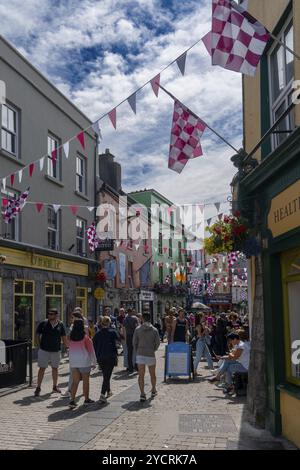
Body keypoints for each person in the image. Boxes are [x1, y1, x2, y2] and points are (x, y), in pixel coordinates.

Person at [34, 309, 68, 397]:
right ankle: (38, 387)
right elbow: (37, 334)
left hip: (56, 351)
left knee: (55, 368)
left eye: (51, 314)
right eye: (48, 314)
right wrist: (38, 345)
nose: (49, 315)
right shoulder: (43, 323)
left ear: (56, 315)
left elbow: (64, 337)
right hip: (44, 350)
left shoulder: (60, 325)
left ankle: (54, 386)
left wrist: (67, 347)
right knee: (42, 368)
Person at [68, 319, 97, 409]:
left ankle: (72, 400)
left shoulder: (70, 337)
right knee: (86, 381)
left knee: (75, 382)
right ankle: (86, 399)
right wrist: (94, 362)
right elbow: (91, 351)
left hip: (73, 361)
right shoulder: (85, 338)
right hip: (84, 361)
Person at [133, 312, 160, 402]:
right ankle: (153, 389)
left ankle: (142, 393)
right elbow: (158, 343)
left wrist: (137, 350)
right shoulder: (154, 330)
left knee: (141, 375)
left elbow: (134, 342)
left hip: (140, 353)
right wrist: (153, 349)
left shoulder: (138, 329)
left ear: (142, 319)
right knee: (153, 374)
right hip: (150, 354)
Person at [93, 316, 119, 403]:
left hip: (100, 357)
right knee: (107, 376)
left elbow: (94, 345)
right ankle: (102, 395)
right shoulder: (112, 332)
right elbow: (119, 339)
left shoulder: (97, 334)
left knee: (105, 375)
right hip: (110, 356)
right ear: (109, 323)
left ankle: (109, 391)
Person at [123, 308, 139, 373]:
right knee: (136, 351)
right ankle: (136, 366)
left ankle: (130, 368)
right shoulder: (135, 318)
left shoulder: (125, 319)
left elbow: (123, 328)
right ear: (131, 312)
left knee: (129, 352)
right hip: (134, 336)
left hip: (128, 336)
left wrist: (125, 337)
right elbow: (137, 327)